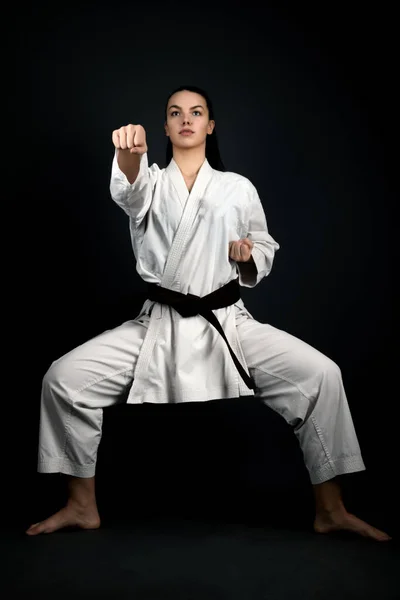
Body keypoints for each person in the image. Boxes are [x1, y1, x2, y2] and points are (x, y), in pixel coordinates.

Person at [26, 85, 391, 541]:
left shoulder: (237, 187)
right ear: (164, 126)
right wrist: (129, 156)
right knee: (64, 379)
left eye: (196, 112)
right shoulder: (152, 181)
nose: (185, 119)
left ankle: (331, 509)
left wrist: (246, 255)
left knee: (322, 376)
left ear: (209, 125)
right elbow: (130, 193)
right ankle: (81, 506)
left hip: (226, 324)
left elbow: (264, 245)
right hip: (158, 323)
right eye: (175, 113)